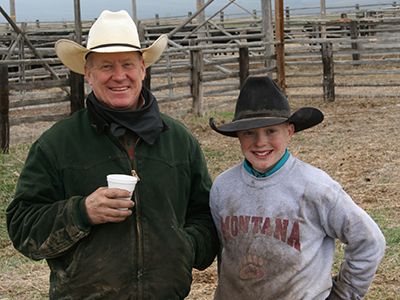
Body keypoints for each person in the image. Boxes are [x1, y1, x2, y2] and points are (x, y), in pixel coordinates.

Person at [6, 10, 219, 300]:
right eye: (106, 66)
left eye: (128, 64)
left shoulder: (179, 140)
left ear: (143, 68)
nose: (119, 76)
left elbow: (206, 215)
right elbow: (22, 226)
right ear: (88, 73)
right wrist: (82, 213)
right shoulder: (57, 143)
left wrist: (186, 245)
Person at [208, 75, 386, 300]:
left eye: (271, 131)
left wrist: (343, 294)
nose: (260, 142)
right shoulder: (223, 187)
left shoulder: (315, 187)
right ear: (238, 135)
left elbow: (369, 240)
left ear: (289, 131)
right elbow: (226, 253)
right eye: (249, 132)